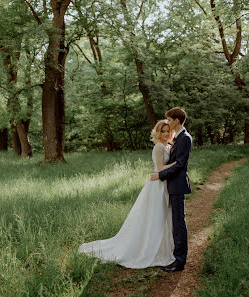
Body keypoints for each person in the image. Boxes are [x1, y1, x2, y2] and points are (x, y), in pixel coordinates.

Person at [78, 120, 177, 268]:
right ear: (158, 132)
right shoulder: (158, 147)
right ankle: (148, 249)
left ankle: (164, 248)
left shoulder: (168, 146)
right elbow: (160, 168)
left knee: (164, 216)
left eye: (168, 131)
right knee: (155, 216)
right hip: (157, 186)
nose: (165, 133)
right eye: (162, 131)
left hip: (165, 184)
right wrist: (177, 164)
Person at [150, 107, 192, 272]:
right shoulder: (178, 138)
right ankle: (174, 256)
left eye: (168, 119)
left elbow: (180, 164)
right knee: (175, 222)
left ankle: (179, 261)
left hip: (176, 185)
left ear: (176, 119)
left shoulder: (185, 138)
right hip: (171, 185)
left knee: (179, 223)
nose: (167, 122)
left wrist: (160, 175)